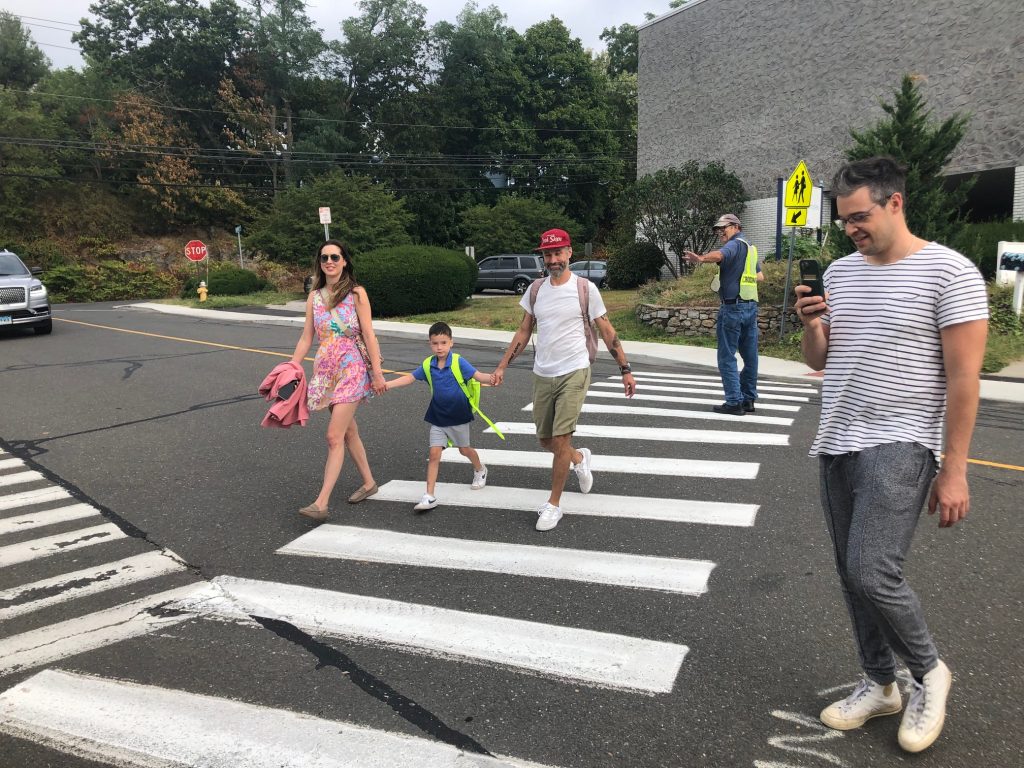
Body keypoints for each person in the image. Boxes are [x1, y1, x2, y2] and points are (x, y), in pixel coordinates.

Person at [794, 156, 989, 754]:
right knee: (851, 574)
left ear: (895, 202)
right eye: (844, 220)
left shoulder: (949, 272)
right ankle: (880, 682)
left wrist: (954, 469)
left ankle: (928, 673)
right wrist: (813, 325)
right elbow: (819, 361)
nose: (851, 228)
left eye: (860, 216)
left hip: (903, 437)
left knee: (872, 568)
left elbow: (964, 378)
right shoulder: (842, 275)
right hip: (839, 435)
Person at [492, 228, 636, 532]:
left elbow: (607, 330)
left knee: (559, 439)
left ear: (570, 253)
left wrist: (625, 368)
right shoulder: (535, 290)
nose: (553, 260)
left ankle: (553, 505)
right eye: (548, 254)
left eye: (558, 253)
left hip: (575, 370)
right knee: (545, 440)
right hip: (543, 373)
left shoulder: (585, 289)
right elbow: (523, 331)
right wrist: (503, 365)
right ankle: (580, 457)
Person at [289, 240, 386, 521]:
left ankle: (321, 503)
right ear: (319, 263)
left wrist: (377, 373)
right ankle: (369, 483)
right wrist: (292, 367)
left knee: (333, 436)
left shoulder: (356, 293)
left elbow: (368, 333)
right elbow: (307, 336)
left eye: (335, 257)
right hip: (326, 371)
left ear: (344, 261)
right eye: (324, 258)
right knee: (348, 432)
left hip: (352, 367)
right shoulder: (314, 297)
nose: (329, 261)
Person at [384, 321, 494, 511]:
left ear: (451, 342)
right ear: (430, 343)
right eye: (435, 343)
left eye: (443, 342)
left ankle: (480, 469)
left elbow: (478, 376)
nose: (439, 347)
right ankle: (429, 495)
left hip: (458, 415)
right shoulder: (428, 365)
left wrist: (493, 378)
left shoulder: (458, 362)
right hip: (438, 416)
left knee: (464, 450)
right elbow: (410, 378)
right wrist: (388, 385)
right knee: (434, 454)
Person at [683, 213, 762, 415]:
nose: (720, 233)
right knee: (750, 356)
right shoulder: (750, 248)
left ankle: (734, 402)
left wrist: (700, 258)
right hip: (750, 307)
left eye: (723, 228)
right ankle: (748, 399)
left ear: (735, 227)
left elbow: (720, 255)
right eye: (718, 230)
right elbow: (760, 276)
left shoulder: (735, 245)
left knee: (727, 357)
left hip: (733, 307)